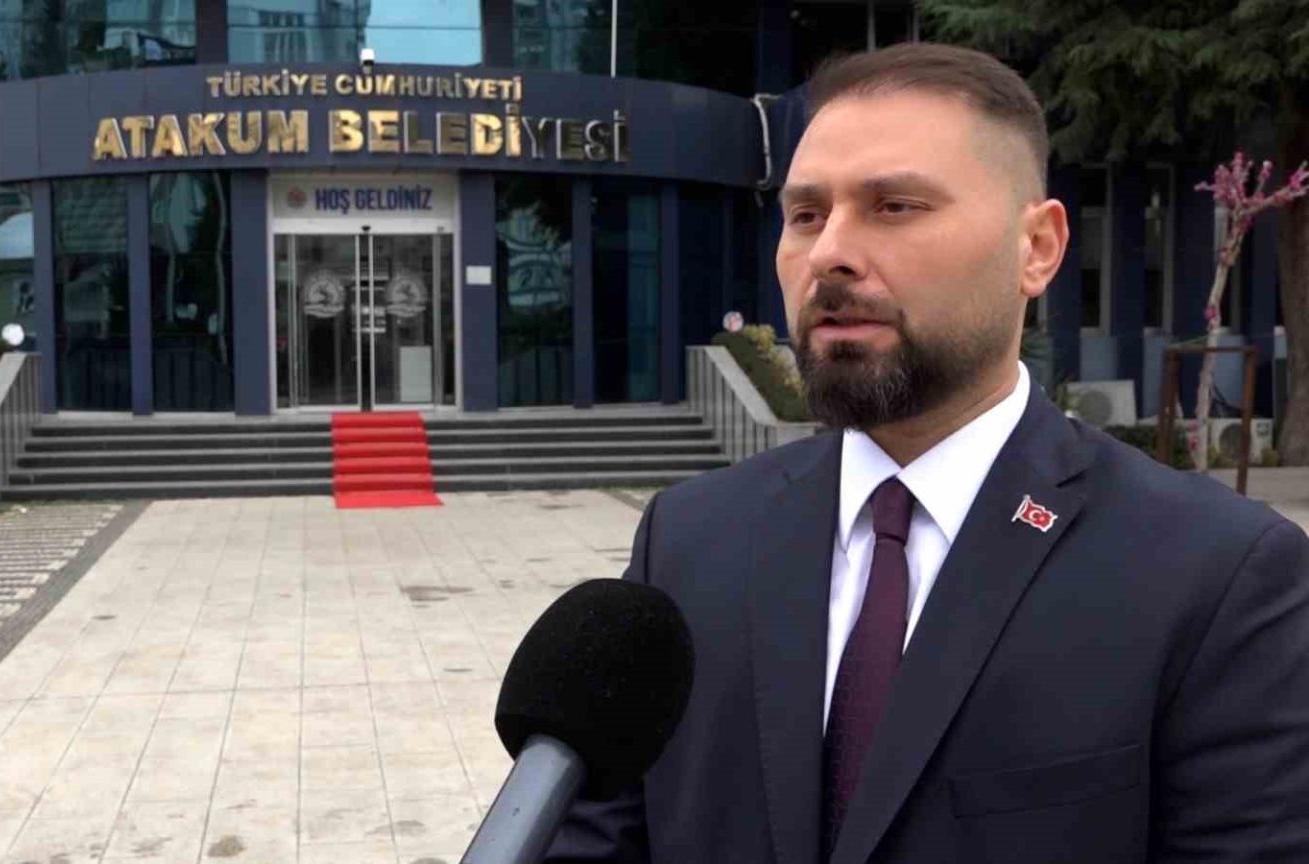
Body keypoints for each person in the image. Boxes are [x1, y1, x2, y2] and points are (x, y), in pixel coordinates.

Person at [545, 42, 1309, 863]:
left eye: (895, 206)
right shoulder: (688, 542)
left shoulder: (1217, 577)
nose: (829, 253)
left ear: (1038, 248)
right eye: (805, 215)